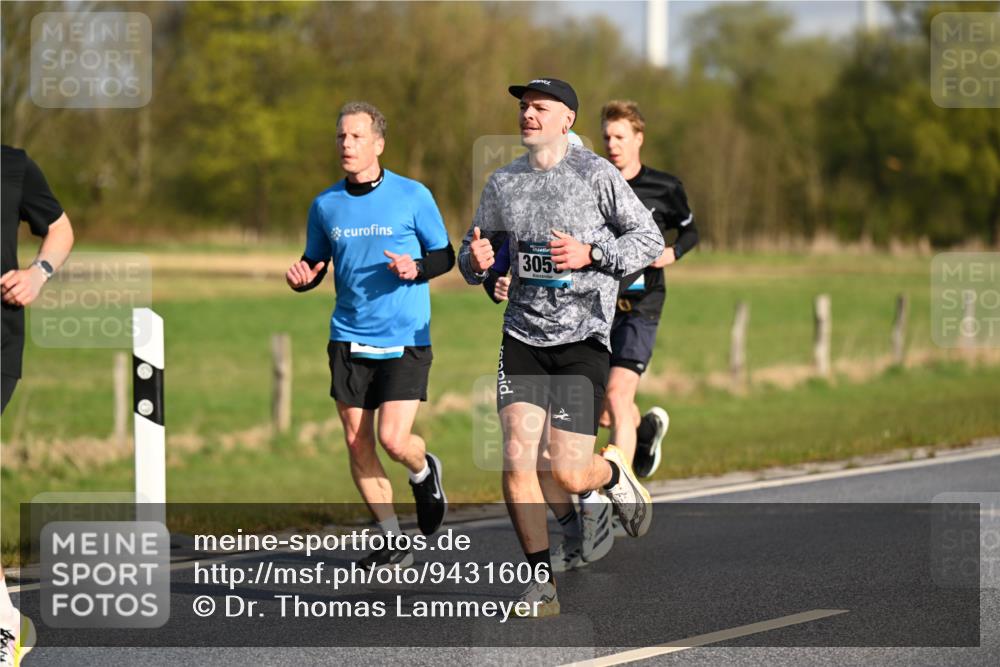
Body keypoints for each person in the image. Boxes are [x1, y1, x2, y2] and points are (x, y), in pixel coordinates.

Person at [459, 78, 663, 616]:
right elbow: (475, 252)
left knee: (571, 473)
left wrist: (591, 253)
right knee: (516, 460)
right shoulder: (504, 183)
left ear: (566, 120)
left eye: (539, 108)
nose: (527, 115)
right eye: (524, 108)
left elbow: (649, 240)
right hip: (523, 335)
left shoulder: (597, 176)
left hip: (583, 340)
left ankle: (614, 472)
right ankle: (540, 585)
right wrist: (477, 265)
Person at [286, 102, 454, 570]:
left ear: (378, 144)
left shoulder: (412, 195)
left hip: (404, 335)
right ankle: (390, 536)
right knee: (357, 442)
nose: (347, 145)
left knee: (394, 440)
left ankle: (423, 471)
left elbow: (446, 256)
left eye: (357, 137)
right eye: (341, 137)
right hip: (348, 335)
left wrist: (415, 267)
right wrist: (304, 277)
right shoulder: (325, 204)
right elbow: (316, 261)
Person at [1, 145, 76, 665]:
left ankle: (4, 622)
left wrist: (38, 273)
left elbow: (62, 229)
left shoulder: (14, 165)